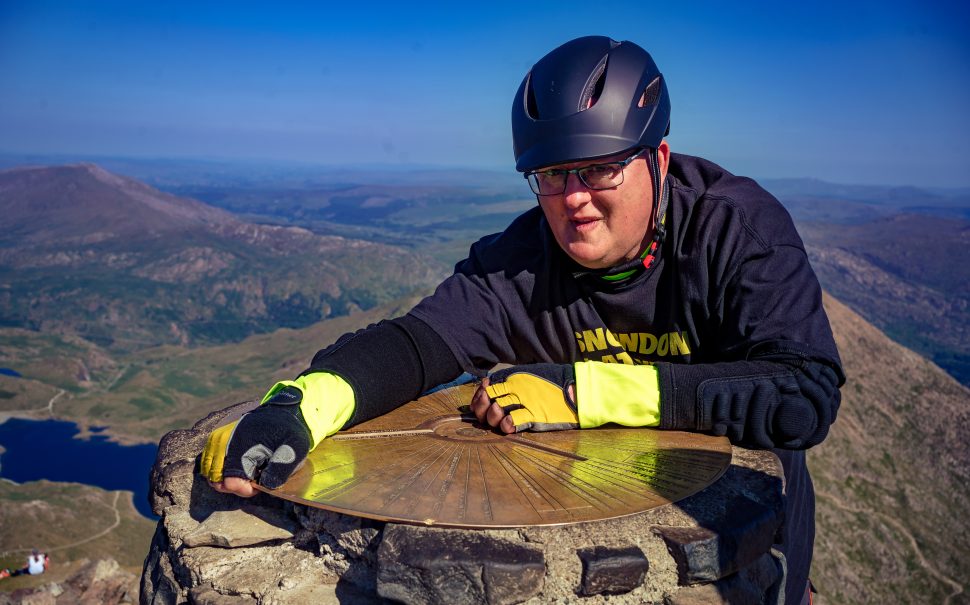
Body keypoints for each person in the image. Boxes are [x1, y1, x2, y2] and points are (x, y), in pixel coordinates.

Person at [201, 36, 843, 605]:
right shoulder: (522, 261)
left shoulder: (738, 232)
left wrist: (581, 392)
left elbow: (801, 398)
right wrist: (298, 406)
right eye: (552, 174)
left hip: (752, 554)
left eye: (600, 167)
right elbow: (413, 345)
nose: (574, 198)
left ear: (660, 158)